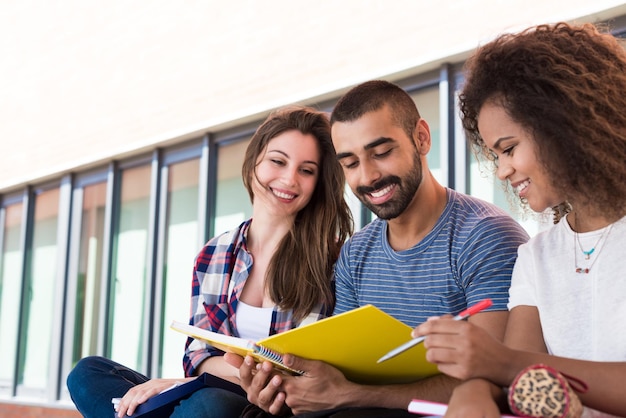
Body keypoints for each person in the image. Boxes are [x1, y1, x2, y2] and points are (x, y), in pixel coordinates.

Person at [227, 80, 530, 417]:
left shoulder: (486, 237)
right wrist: (282, 389)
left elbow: (495, 379)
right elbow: (340, 374)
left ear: (422, 138)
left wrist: (352, 395)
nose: (368, 176)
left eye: (382, 153)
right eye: (351, 164)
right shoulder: (356, 254)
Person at [66, 105, 353, 418]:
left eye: (306, 170)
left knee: (208, 404)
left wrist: (190, 382)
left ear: (318, 183)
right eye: (278, 161)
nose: (289, 178)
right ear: (254, 160)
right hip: (206, 389)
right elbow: (199, 352)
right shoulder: (215, 253)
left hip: (272, 408)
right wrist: (190, 381)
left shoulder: (332, 263)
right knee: (88, 373)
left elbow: (299, 375)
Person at [413, 22, 626, 417]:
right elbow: (519, 375)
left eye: (509, 149)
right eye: (495, 155)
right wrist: (472, 393)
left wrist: (501, 364)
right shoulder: (538, 255)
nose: (502, 171)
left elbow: (512, 364)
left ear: (565, 125)